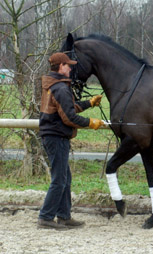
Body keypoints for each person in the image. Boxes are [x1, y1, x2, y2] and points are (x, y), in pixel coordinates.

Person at [38, 52, 104, 230]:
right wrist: (90, 122)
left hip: (53, 135)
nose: (70, 67)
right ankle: (45, 218)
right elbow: (69, 117)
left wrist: (89, 103)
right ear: (60, 67)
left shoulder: (53, 85)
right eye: (68, 65)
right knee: (59, 180)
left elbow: (68, 107)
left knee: (64, 178)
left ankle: (64, 216)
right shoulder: (60, 87)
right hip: (57, 135)